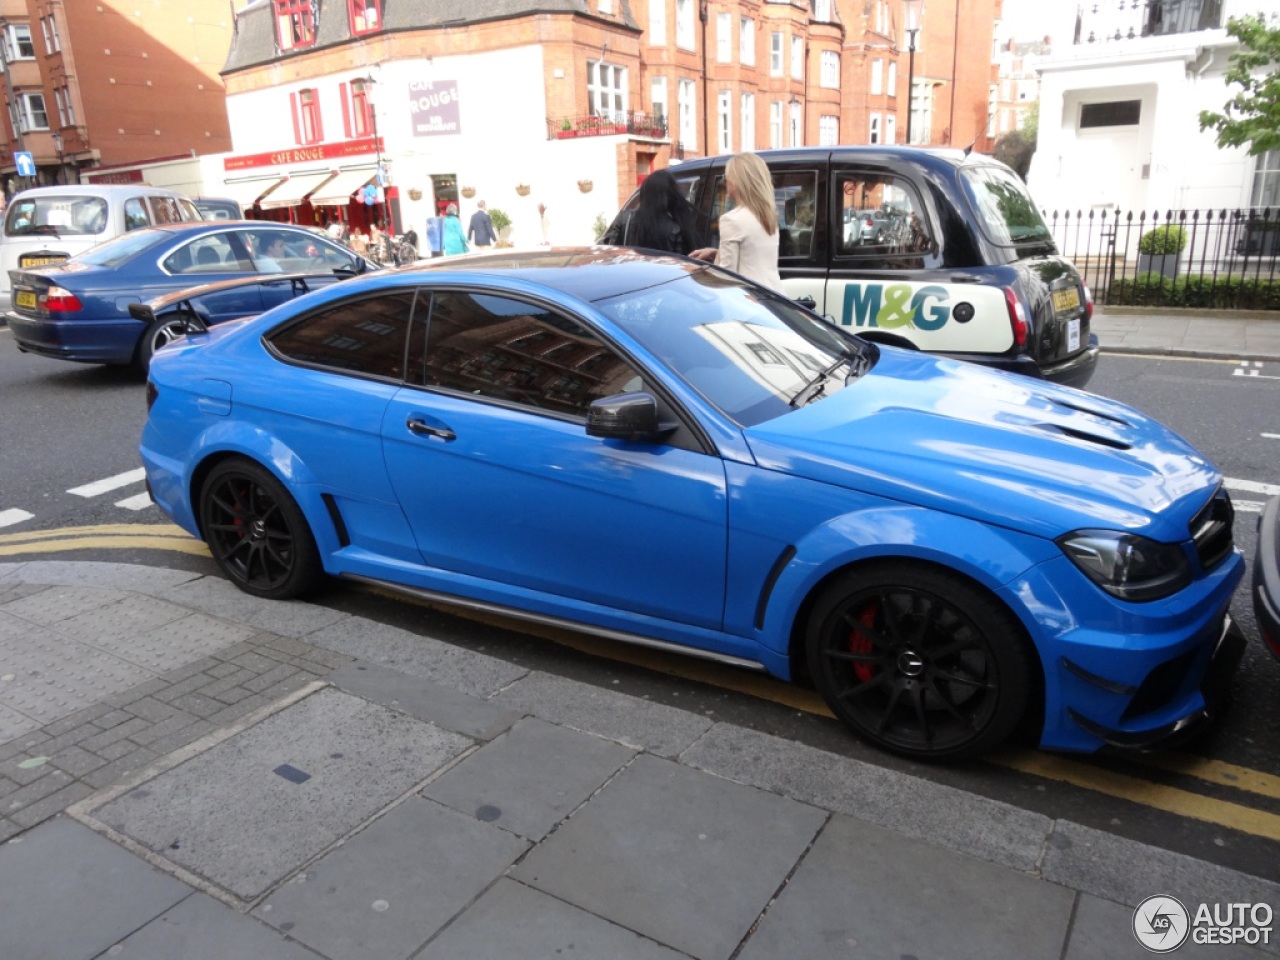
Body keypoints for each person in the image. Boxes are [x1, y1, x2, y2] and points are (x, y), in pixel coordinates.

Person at [690, 153, 784, 293]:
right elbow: (753, 257)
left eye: (726, 178)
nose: (725, 182)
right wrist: (717, 253)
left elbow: (726, 276)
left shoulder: (732, 219)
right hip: (775, 297)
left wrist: (693, 273)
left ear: (736, 182)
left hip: (748, 300)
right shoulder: (767, 215)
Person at [601, 169, 699, 254]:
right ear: (670, 197)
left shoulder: (625, 219)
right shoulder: (675, 229)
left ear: (644, 194)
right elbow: (679, 264)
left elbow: (611, 252)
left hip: (628, 274)